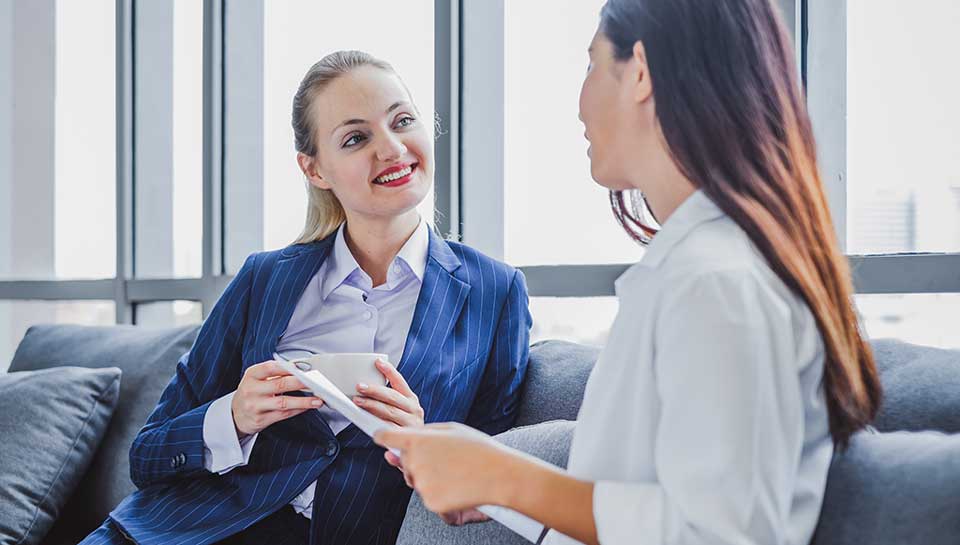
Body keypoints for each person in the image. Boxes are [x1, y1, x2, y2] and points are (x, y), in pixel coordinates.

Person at [375, 1, 882, 544]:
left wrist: (507, 475)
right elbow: (642, 507)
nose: (579, 105)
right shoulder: (700, 269)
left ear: (639, 71)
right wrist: (496, 487)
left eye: (592, 65)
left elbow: (718, 534)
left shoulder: (716, 283)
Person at [80, 50, 532, 545]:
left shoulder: (496, 291)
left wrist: (423, 444)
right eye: (357, 138)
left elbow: (491, 488)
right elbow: (147, 457)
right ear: (315, 170)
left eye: (402, 120)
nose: (392, 148)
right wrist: (234, 415)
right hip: (183, 531)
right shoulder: (265, 279)